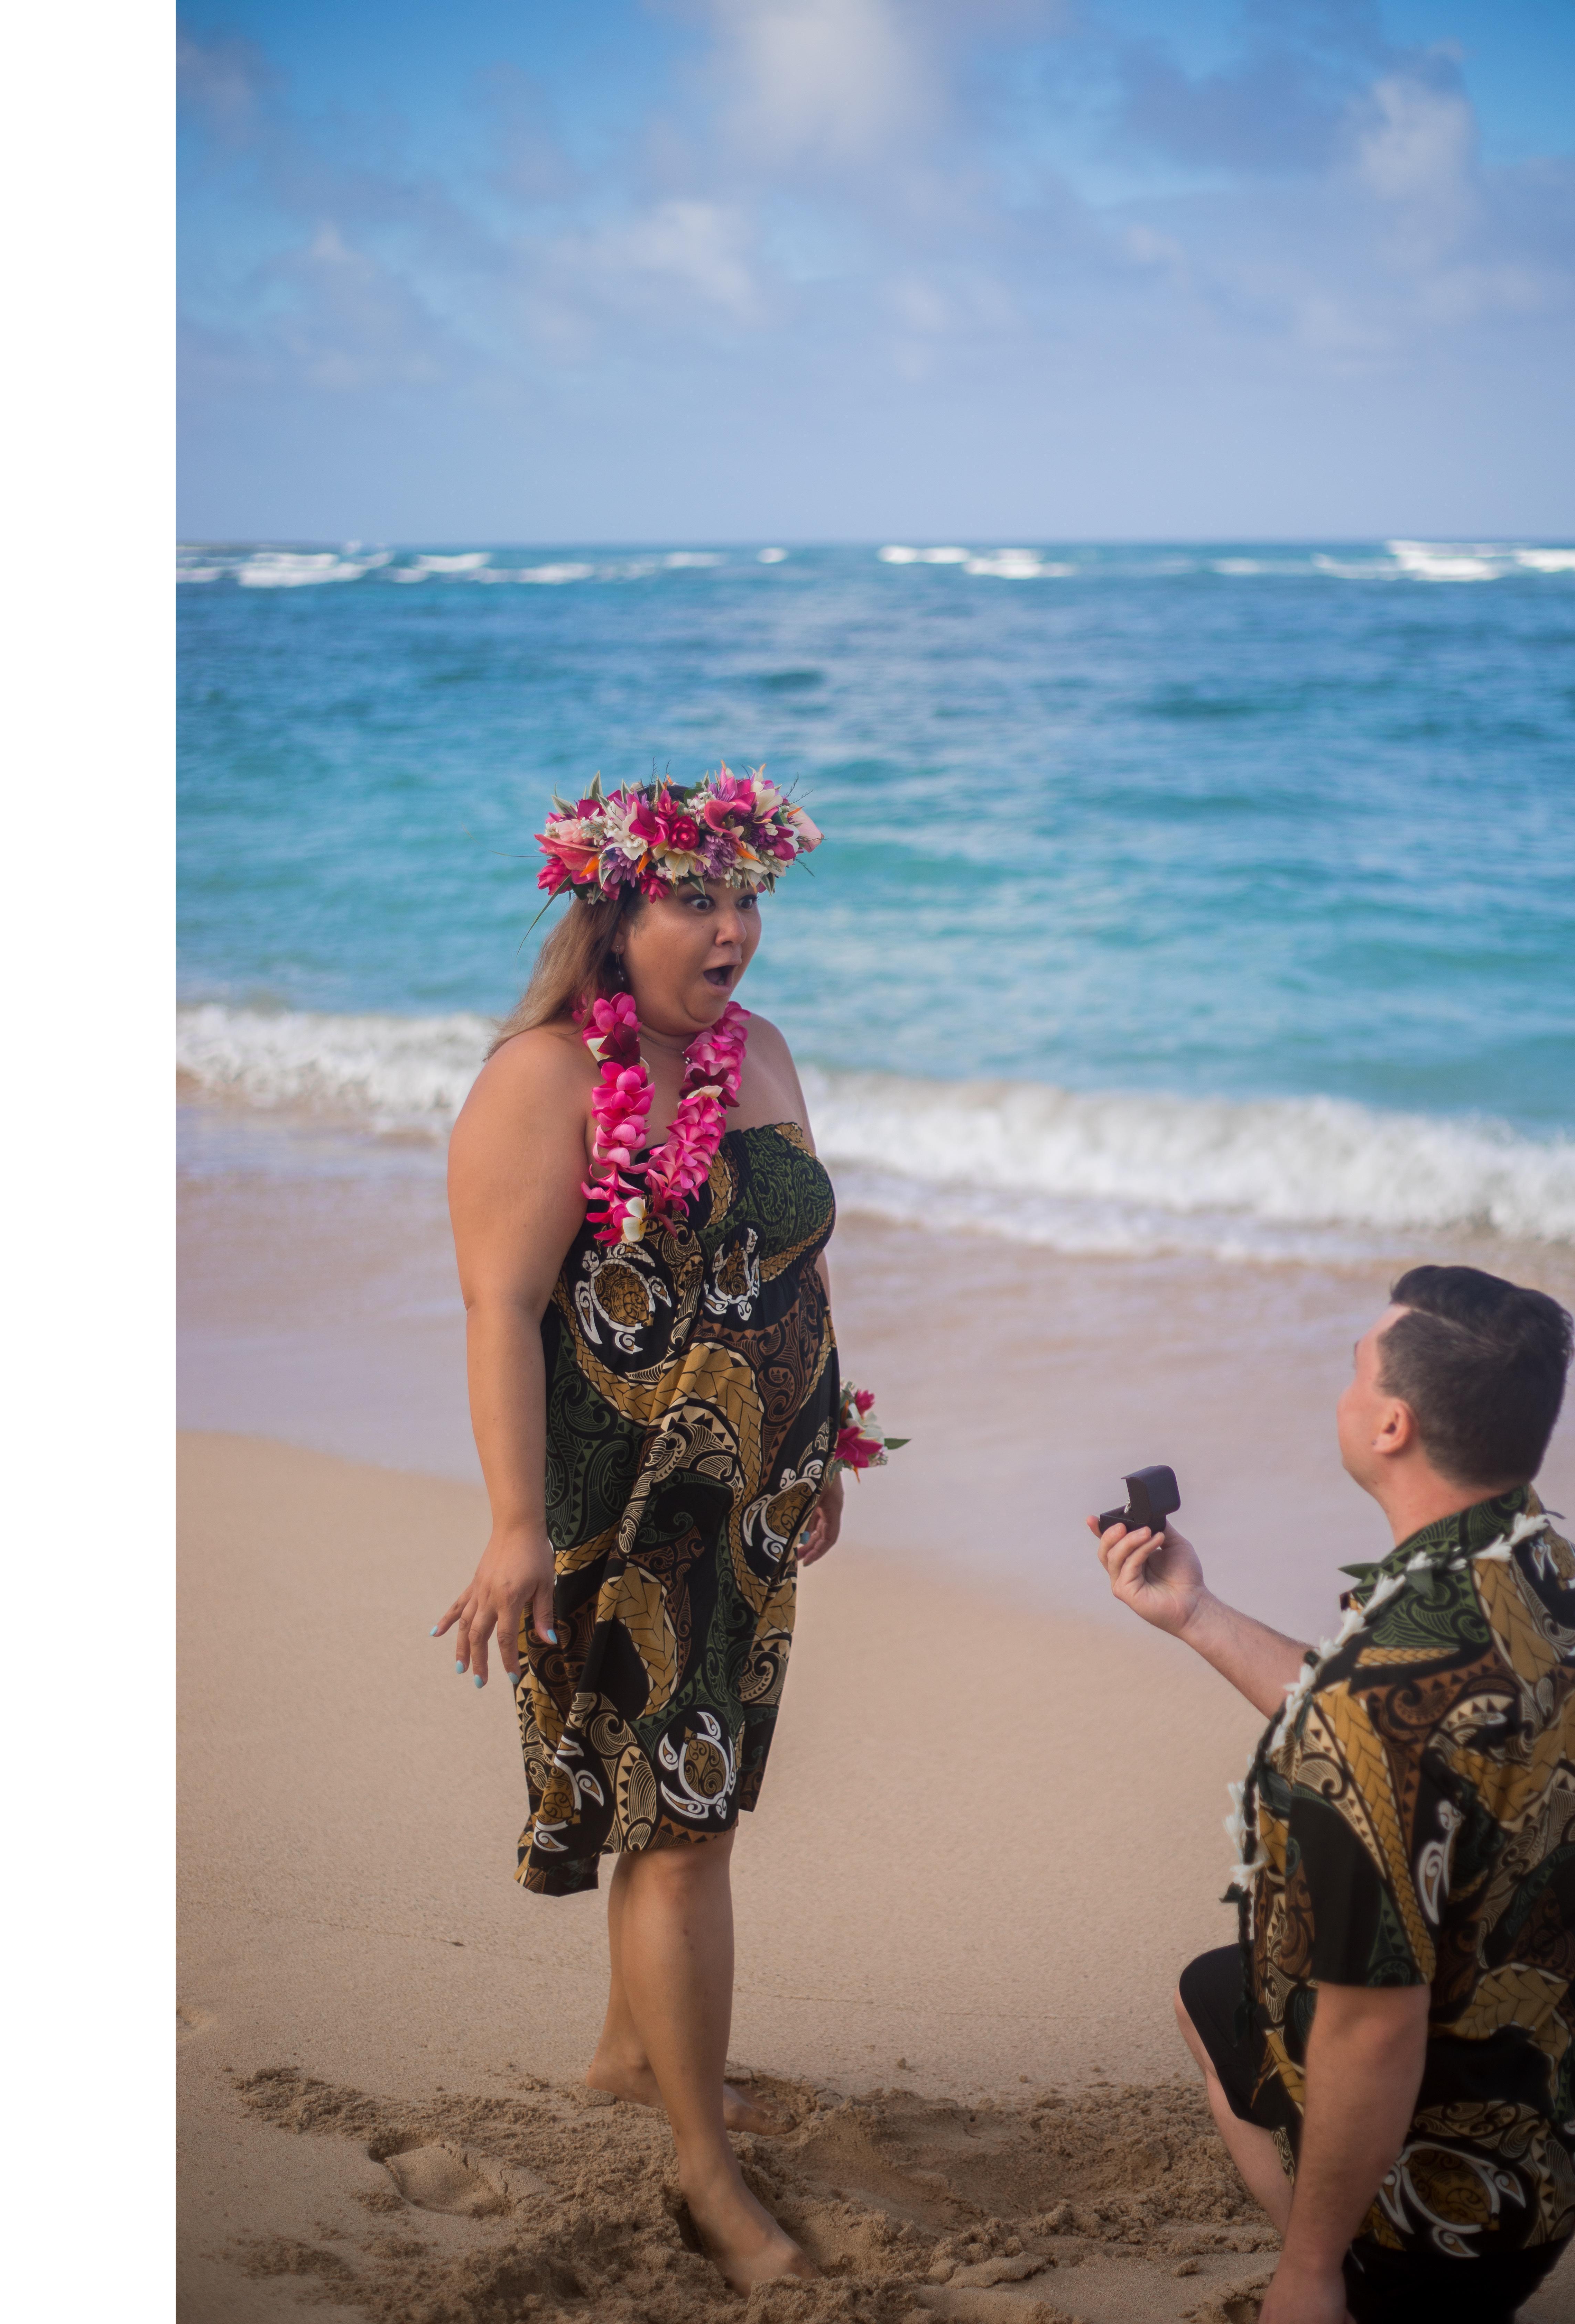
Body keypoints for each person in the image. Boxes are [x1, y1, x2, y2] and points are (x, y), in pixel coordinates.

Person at [433, 767, 896, 2293]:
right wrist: (515, 1528)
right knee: (682, 1829)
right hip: (622, 1522)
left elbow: (801, 1259)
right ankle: (704, 2178)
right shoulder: (546, 1079)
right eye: (696, 898)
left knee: (697, 1803)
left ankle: (639, 2058)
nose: (735, 929)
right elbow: (501, 1309)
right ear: (613, 911)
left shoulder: (760, 1054)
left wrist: (821, 1440)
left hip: (749, 1509)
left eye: (746, 895)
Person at [1092, 1266, 1575, 2324]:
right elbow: (1397, 1722)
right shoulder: (1555, 1576)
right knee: (1224, 1982)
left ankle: (1365, 2285)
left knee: (1222, 2002)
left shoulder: (1370, 1713)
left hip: (1462, 2209)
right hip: (1568, 2113)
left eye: (1354, 1372)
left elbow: (1372, 2035)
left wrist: (1305, 2277)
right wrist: (1197, 1614)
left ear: (1392, 1425)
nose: (1341, 1393)